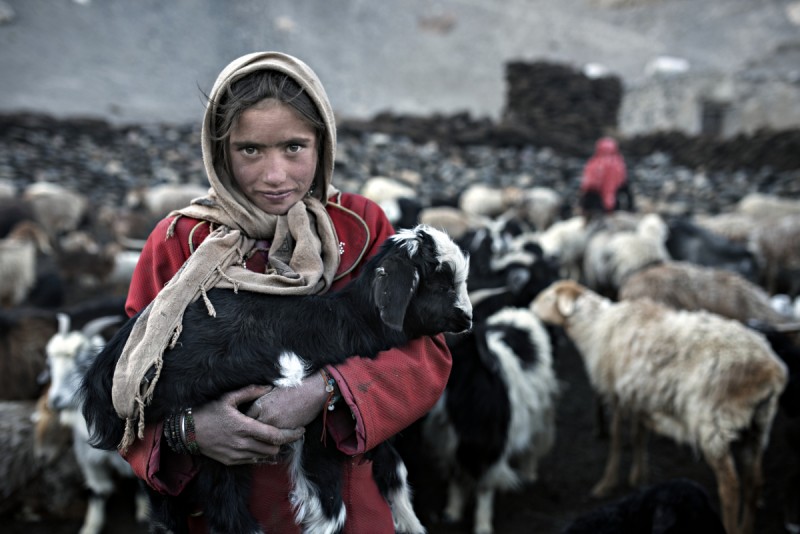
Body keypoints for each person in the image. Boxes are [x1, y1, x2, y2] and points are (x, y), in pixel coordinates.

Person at [114, 51, 453, 533]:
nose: (275, 176)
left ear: (322, 144)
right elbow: (128, 384)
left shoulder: (361, 229)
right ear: (220, 150)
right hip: (221, 512)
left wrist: (327, 389)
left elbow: (423, 358)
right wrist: (190, 430)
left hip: (343, 508)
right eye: (250, 150)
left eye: (294, 147)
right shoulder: (179, 243)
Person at [578, 136, 633, 217]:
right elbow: (626, 188)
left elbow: (587, 188)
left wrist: (583, 208)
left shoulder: (593, 164)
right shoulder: (619, 164)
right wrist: (630, 208)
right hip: (615, 206)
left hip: (596, 208)